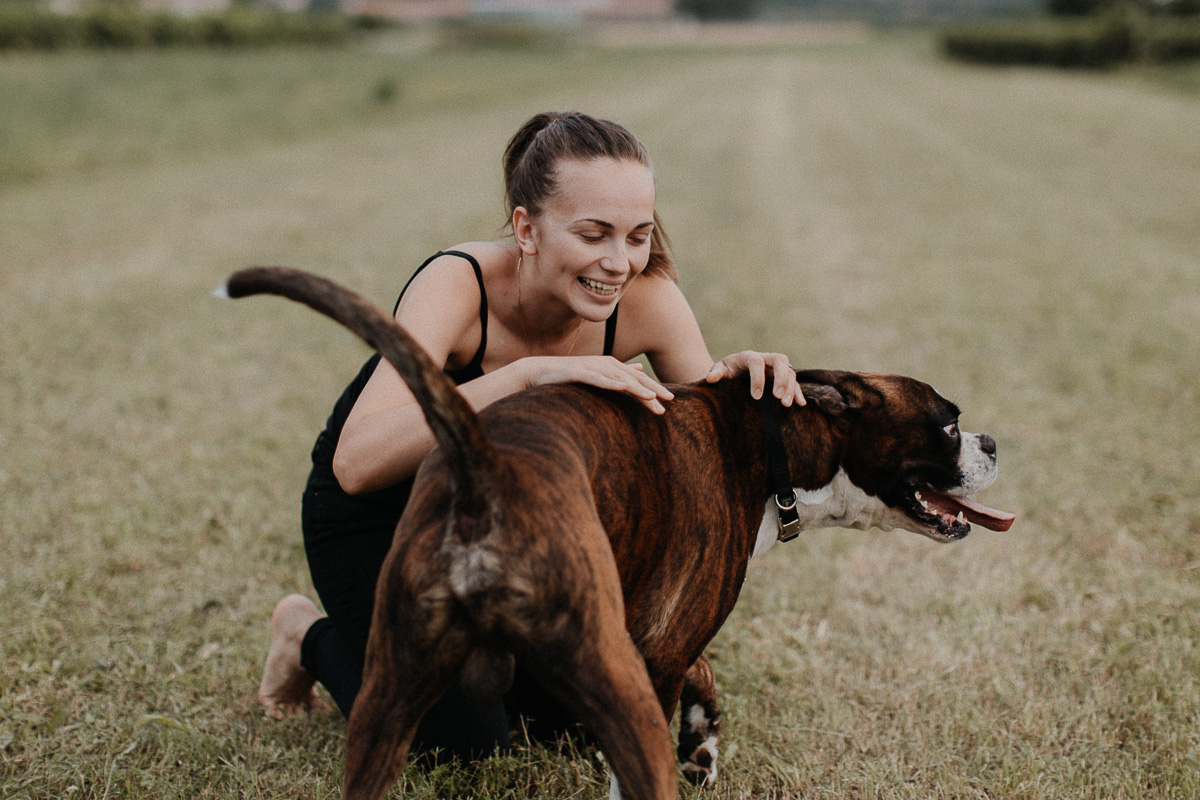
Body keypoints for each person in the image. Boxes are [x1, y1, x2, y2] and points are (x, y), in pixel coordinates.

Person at [257, 111, 805, 757]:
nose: (618, 262)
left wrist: (740, 390)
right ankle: (306, 635)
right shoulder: (457, 285)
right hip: (384, 512)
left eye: (637, 236)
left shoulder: (649, 297)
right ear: (527, 228)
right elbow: (358, 461)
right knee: (459, 744)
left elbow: (708, 453)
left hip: (504, 519)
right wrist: (526, 375)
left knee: (570, 724)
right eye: (593, 234)